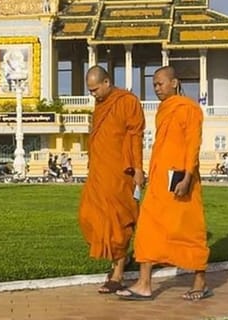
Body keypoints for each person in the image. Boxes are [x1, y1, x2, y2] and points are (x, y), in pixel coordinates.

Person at [116, 66, 211, 301]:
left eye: (160, 84)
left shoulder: (189, 108)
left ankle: (200, 280)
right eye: (154, 85)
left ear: (175, 82)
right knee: (147, 226)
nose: (157, 88)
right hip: (160, 179)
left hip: (181, 178)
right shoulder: (163, 109)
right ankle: (144, 283)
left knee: (188, 230)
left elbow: (193, 144)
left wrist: (188, 176)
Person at [77, 65, 145, 294]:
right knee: (88, 216)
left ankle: (117, 272)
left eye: (95, 89)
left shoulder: (127, 101)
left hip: (119, 172)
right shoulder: (100, 104)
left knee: (118, 221)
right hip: (99, 172)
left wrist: (138, 168)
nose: (93, 94)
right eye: (90, 91)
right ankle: (116, 261)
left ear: (107, 82)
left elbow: (135, 136)